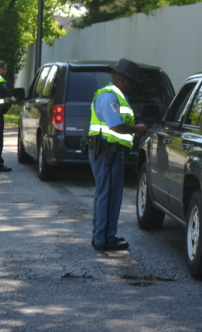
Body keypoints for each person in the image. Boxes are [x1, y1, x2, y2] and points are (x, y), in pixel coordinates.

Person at [88, 58, 147, 251]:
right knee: (108, 195)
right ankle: (104, 239)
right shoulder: (109, 96)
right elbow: (116, 125)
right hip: (108, 152)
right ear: (122, 79)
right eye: (132, 82)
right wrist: (136, 129)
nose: (133, 87)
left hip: (109, 152)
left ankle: (102, 235)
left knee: (106, 194)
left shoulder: (115, 96)